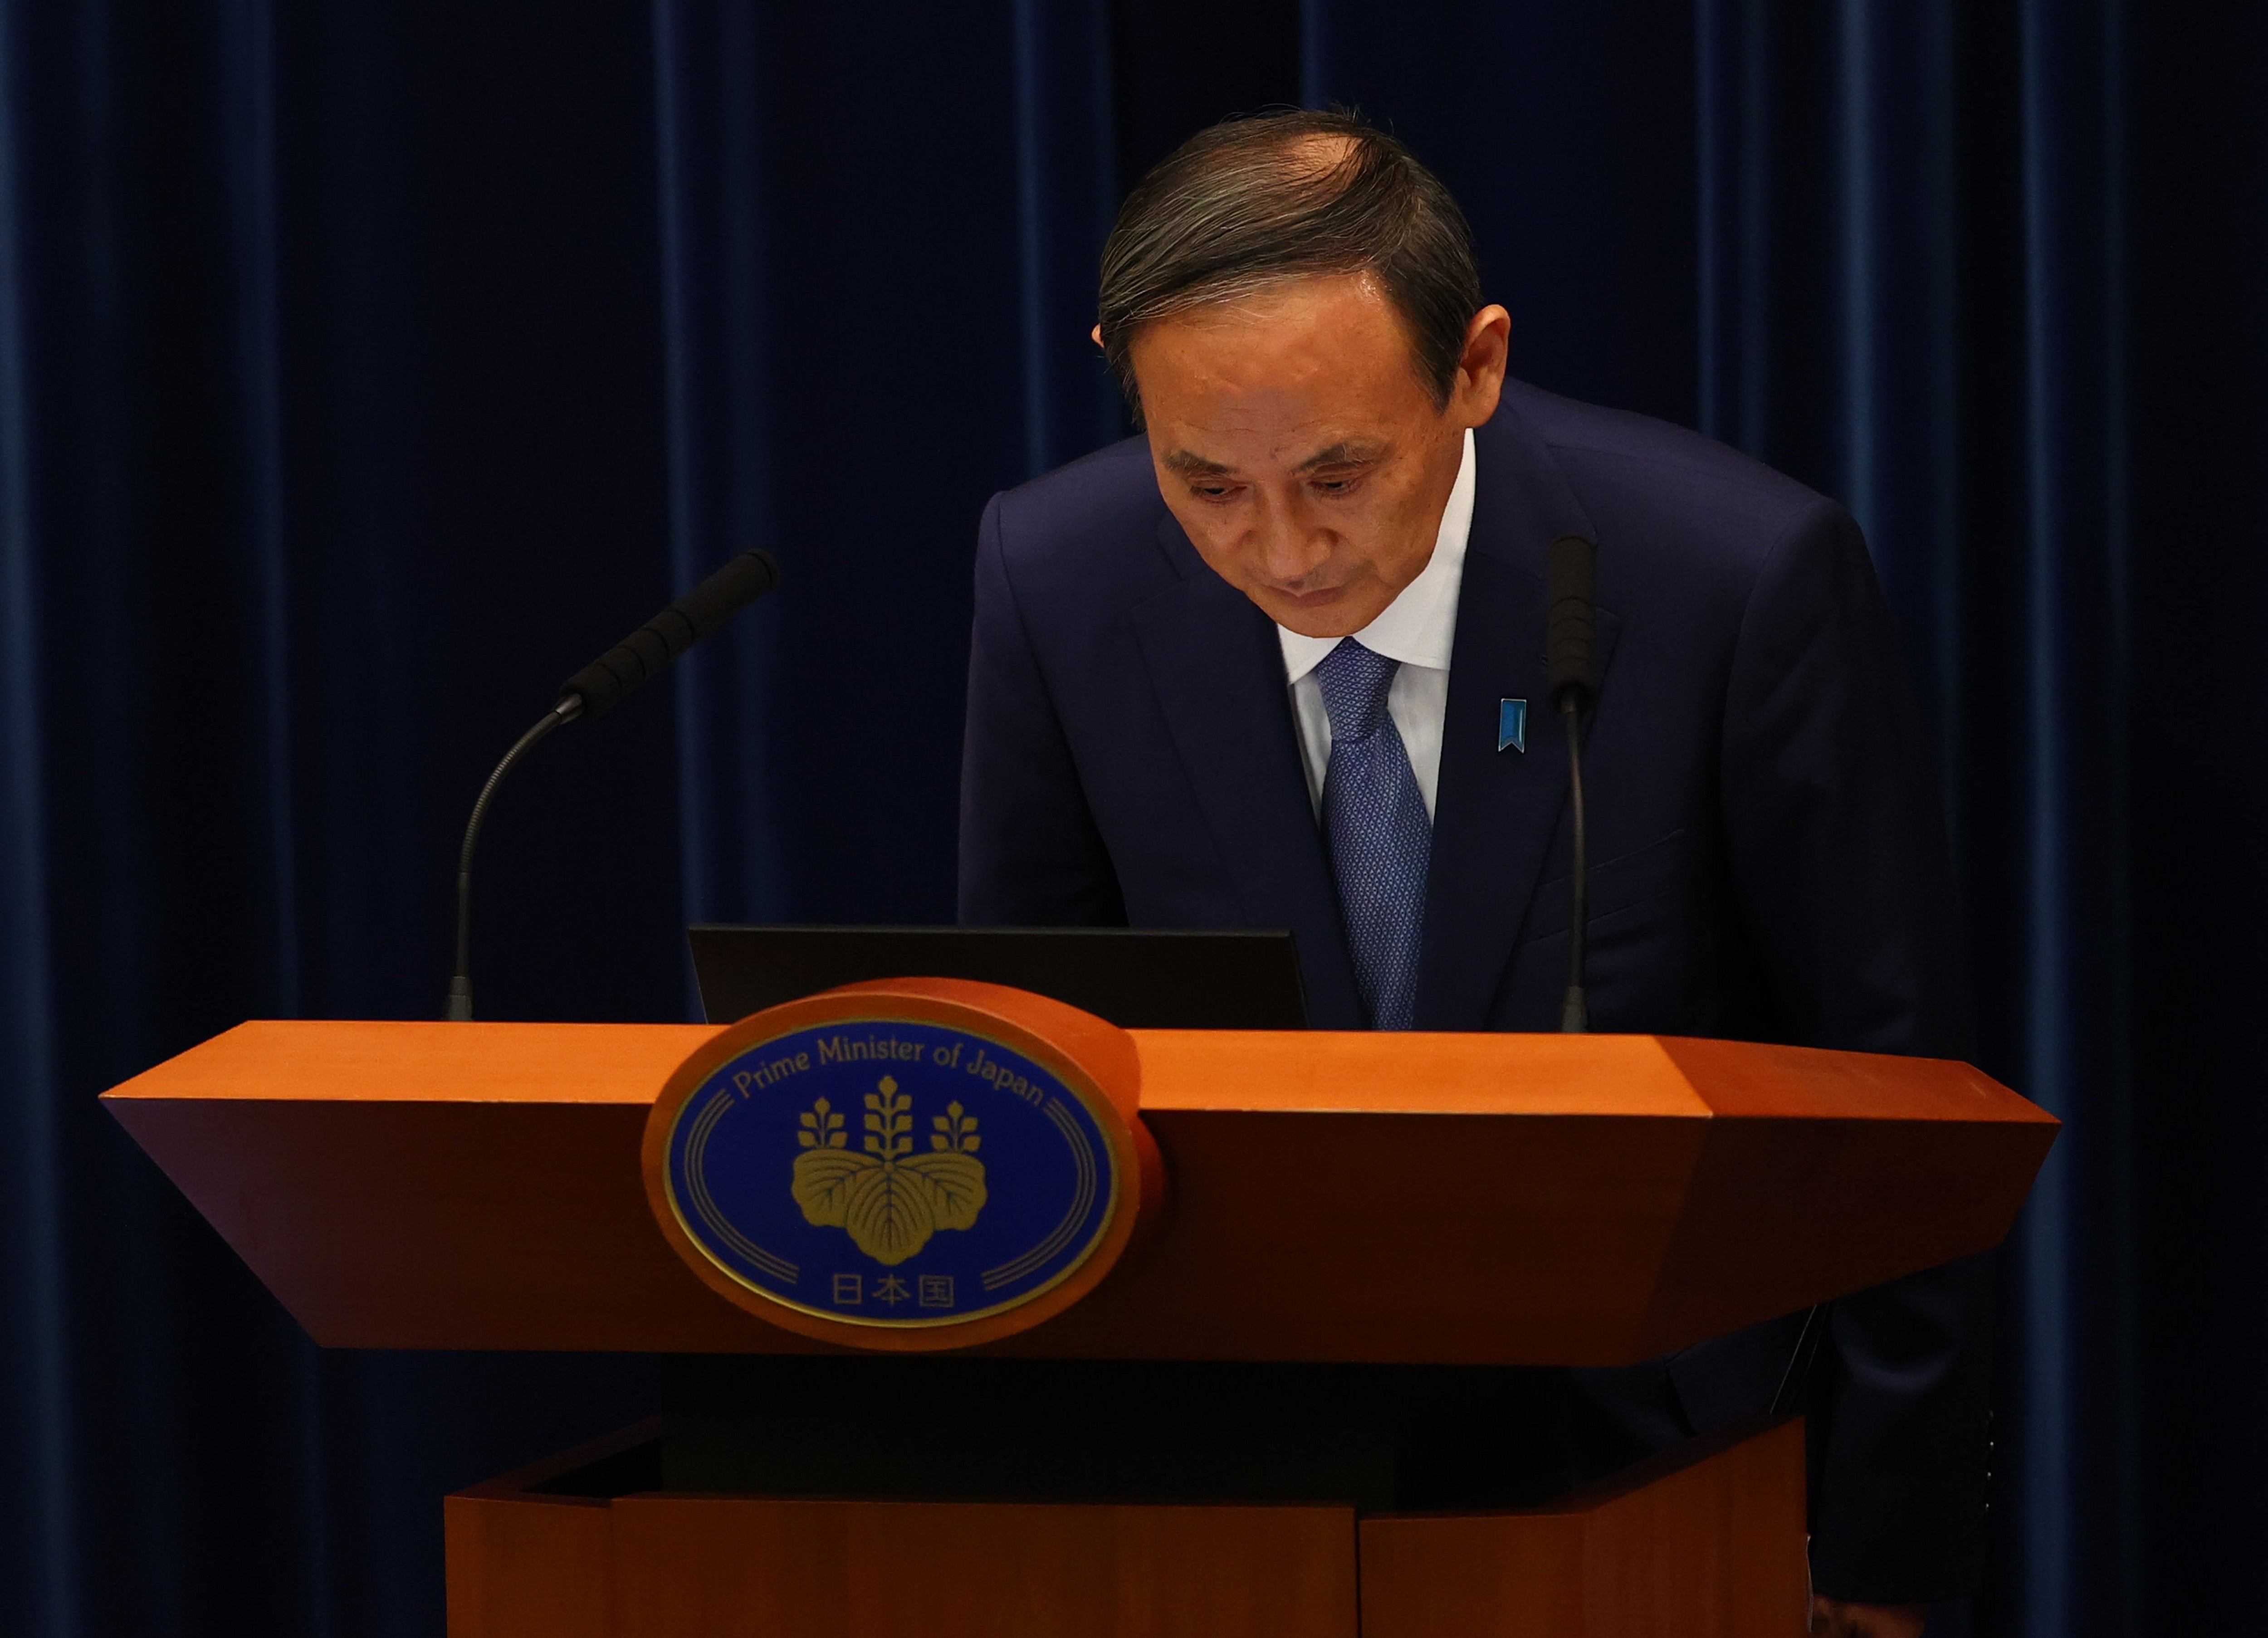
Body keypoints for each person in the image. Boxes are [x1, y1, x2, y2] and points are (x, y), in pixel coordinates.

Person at [958, 109, 1986, 1638]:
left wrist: (1878, 1559)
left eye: (1338, 471)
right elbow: (1034, 1056)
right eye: (1208, 484)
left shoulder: (1734, 579)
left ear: (1477, 367)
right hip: (1237, 1503)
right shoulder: (1059, 577)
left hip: (1667, 1485)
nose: (1285, 549)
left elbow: (1904, 1112)